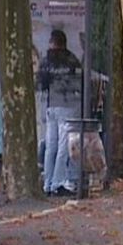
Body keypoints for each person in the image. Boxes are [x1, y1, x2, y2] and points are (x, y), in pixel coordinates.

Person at [36, 29, 82, 196]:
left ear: (52, 42)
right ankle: (58, 182)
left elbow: (40, 84)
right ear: (64, 43)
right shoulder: (71, 60)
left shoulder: (46, 60)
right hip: (68, 105)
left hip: (50, 106)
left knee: (51, 146)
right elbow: (79, 82)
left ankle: (48, 184)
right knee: (64, 146)